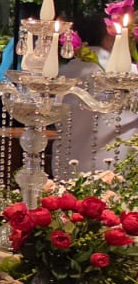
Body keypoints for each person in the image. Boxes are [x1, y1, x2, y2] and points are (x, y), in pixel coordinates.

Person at [59, 14, 138, 171]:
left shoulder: (62, 74)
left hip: (69, 164)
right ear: (110, 37)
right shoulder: (130, 75)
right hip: (118, 163)